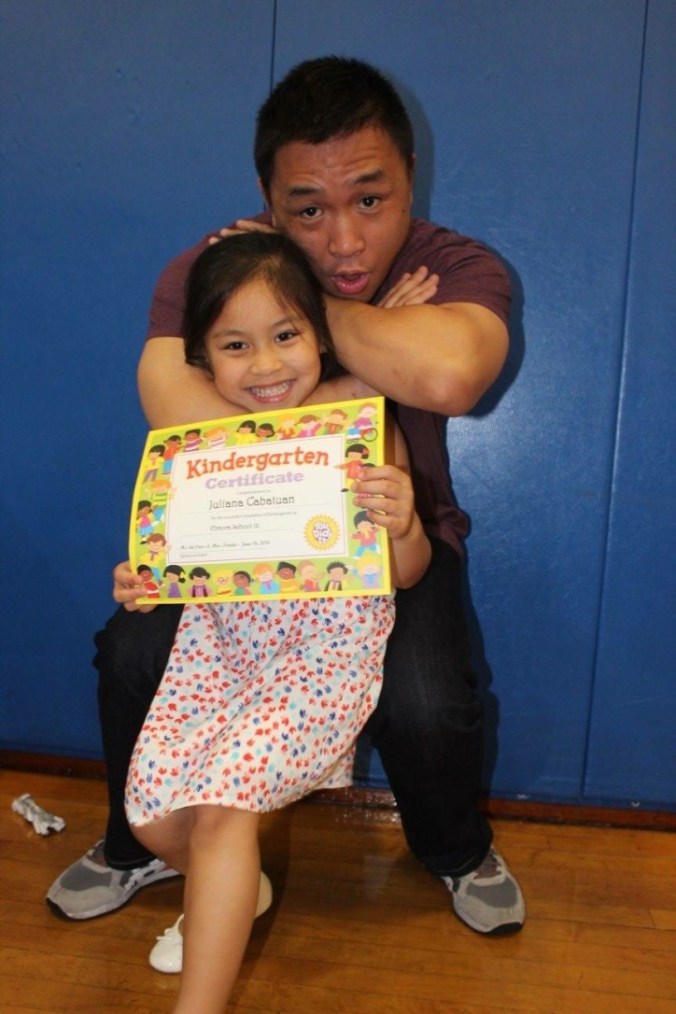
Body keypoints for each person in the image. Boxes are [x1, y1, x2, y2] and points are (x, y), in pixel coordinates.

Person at [47, 55, 525, 940]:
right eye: (308, 211)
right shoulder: (211, 266)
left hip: (391, 531)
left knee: (427, 698)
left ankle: (456, 848)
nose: (343, 242)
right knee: (129, 652)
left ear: (410, 179)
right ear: (269, 200)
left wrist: (301, 303)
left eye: (370, 200)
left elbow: (452, 372)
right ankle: (139, 840)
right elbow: (175, 407)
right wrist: (368, 350)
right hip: (232, 545)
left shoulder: (455, 264)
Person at [124, 230, 431, 1010]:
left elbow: (405, 572)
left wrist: (403, 525)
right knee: (156, 815)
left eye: (286, 335)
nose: (265, 366)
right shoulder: (199, 444)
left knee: (226, 811)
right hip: (220, 653)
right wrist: (142, 581)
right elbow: (169, 564)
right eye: (235, 345)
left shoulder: (357, 416)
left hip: (321, 657)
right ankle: (231, 892)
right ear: (202, 357)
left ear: (320, 333)